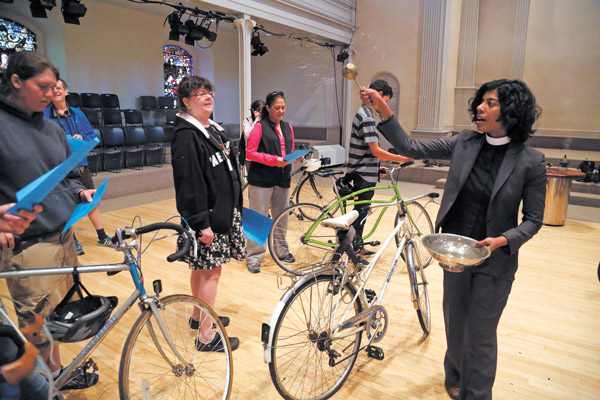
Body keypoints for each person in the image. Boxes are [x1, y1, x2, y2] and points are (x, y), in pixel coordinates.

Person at [363, 79, 546, 400]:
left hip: (495, 261)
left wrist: (503, 240)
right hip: (456, 254)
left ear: (512, 112)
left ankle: (477, 394)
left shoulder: (531, 161)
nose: (480, 107)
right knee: (456, 321)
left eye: (490, 103)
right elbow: (410, 147)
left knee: (481, 334)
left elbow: (533, 220)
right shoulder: (465, 142)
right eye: (481, 101)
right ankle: (456, 373)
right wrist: (384, 110)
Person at [0, 51, 97, 390]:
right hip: (28, 244)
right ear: (15, 81)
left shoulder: (53, 128)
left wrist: (80, 192)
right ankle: (45, 386)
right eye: (42, 87)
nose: (50, 94)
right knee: (37, 323)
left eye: (54, 87)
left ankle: (56, 374)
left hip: (64, 233)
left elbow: (68, 174)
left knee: (59, 316)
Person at [171, 76, 245, 352]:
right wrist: (201, 223)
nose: (207, 96)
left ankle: (198, 316)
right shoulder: (186, 135)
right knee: (211, 273)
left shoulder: (211, 128)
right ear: (186, 102)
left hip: (220, 212)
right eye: (199, 93)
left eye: (209, 91)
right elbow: (189, 183)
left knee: (200, 268)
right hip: (207, 217)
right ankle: (206, 336)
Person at [44, 78, 112, 255]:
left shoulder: (78, 114)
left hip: (80, 165)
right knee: (65, 205)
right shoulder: (43, 115)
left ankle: (102, 236)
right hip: (59, 169)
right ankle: (72, 240)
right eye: (52, 89)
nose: (56, 91)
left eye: (59, 88)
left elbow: (90, 135)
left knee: (91, 201)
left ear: (66, 91)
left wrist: (82, 138)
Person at [344, 79, 411, 256]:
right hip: (363, 174)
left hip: (366, 171)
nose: (384, 106)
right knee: (360, 213)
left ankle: (356, 247)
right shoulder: (366, 116)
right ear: (379, 96)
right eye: (385, 102)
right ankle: (354, 249)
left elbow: (369, 150)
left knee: (361, 212)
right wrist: (401, 158)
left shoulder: (367, 114)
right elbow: (375, 149)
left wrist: (377, 167)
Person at [245, 91, 296, 273]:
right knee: (258, 218)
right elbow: (250, 153)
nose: (281, 111)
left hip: (282, 178)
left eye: (283, 107)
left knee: (282, 216)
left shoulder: (288, 127)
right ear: (268, 108)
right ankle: (254, 256)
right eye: (277, 108)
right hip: (261, 178)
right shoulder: (259, 126)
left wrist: (296, 158)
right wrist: (273, 159)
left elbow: (288, 152)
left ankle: (281, 251)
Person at [239, 99, 265, 167]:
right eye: (259, 111)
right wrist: (257, 120)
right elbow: (249, 135)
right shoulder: (247, 121)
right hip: (250, 157)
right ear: (253, 111)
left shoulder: (266, 121)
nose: (260, 114)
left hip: (264, 156)